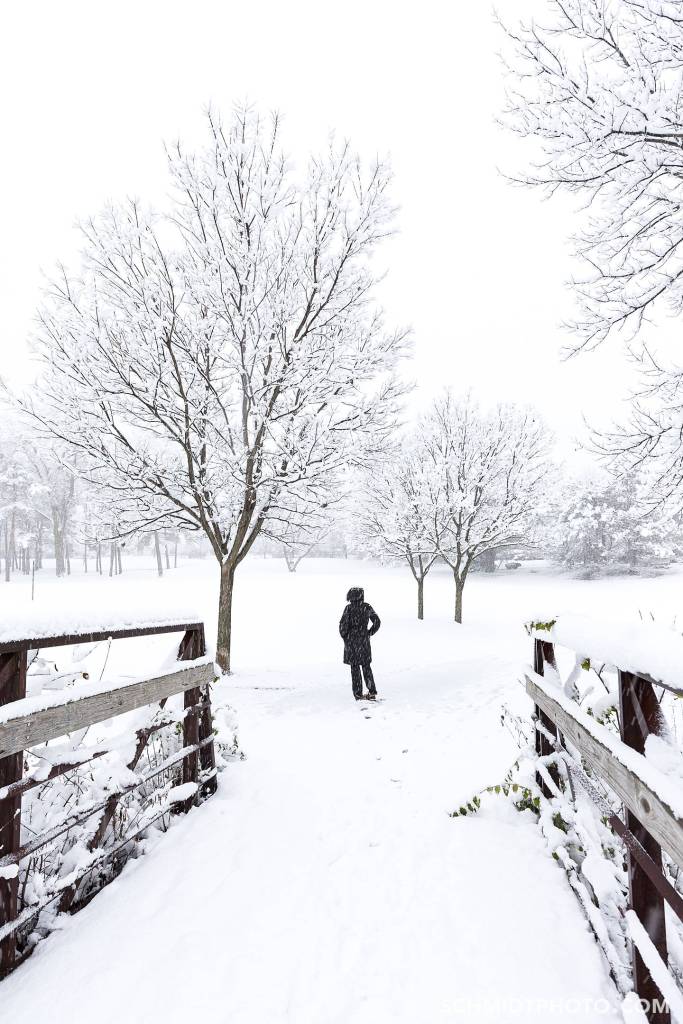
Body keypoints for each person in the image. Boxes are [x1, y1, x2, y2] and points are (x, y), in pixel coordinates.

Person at [339, 587, 381, 701]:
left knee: (355, 668)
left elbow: (342, 627)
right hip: (364, 642)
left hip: (352, 643)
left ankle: (358, 694)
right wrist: (368, 633)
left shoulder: (348, 608)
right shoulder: (367, 607)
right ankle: (372, 691)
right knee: (366, 667)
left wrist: (346, 637)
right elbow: (377, 621)